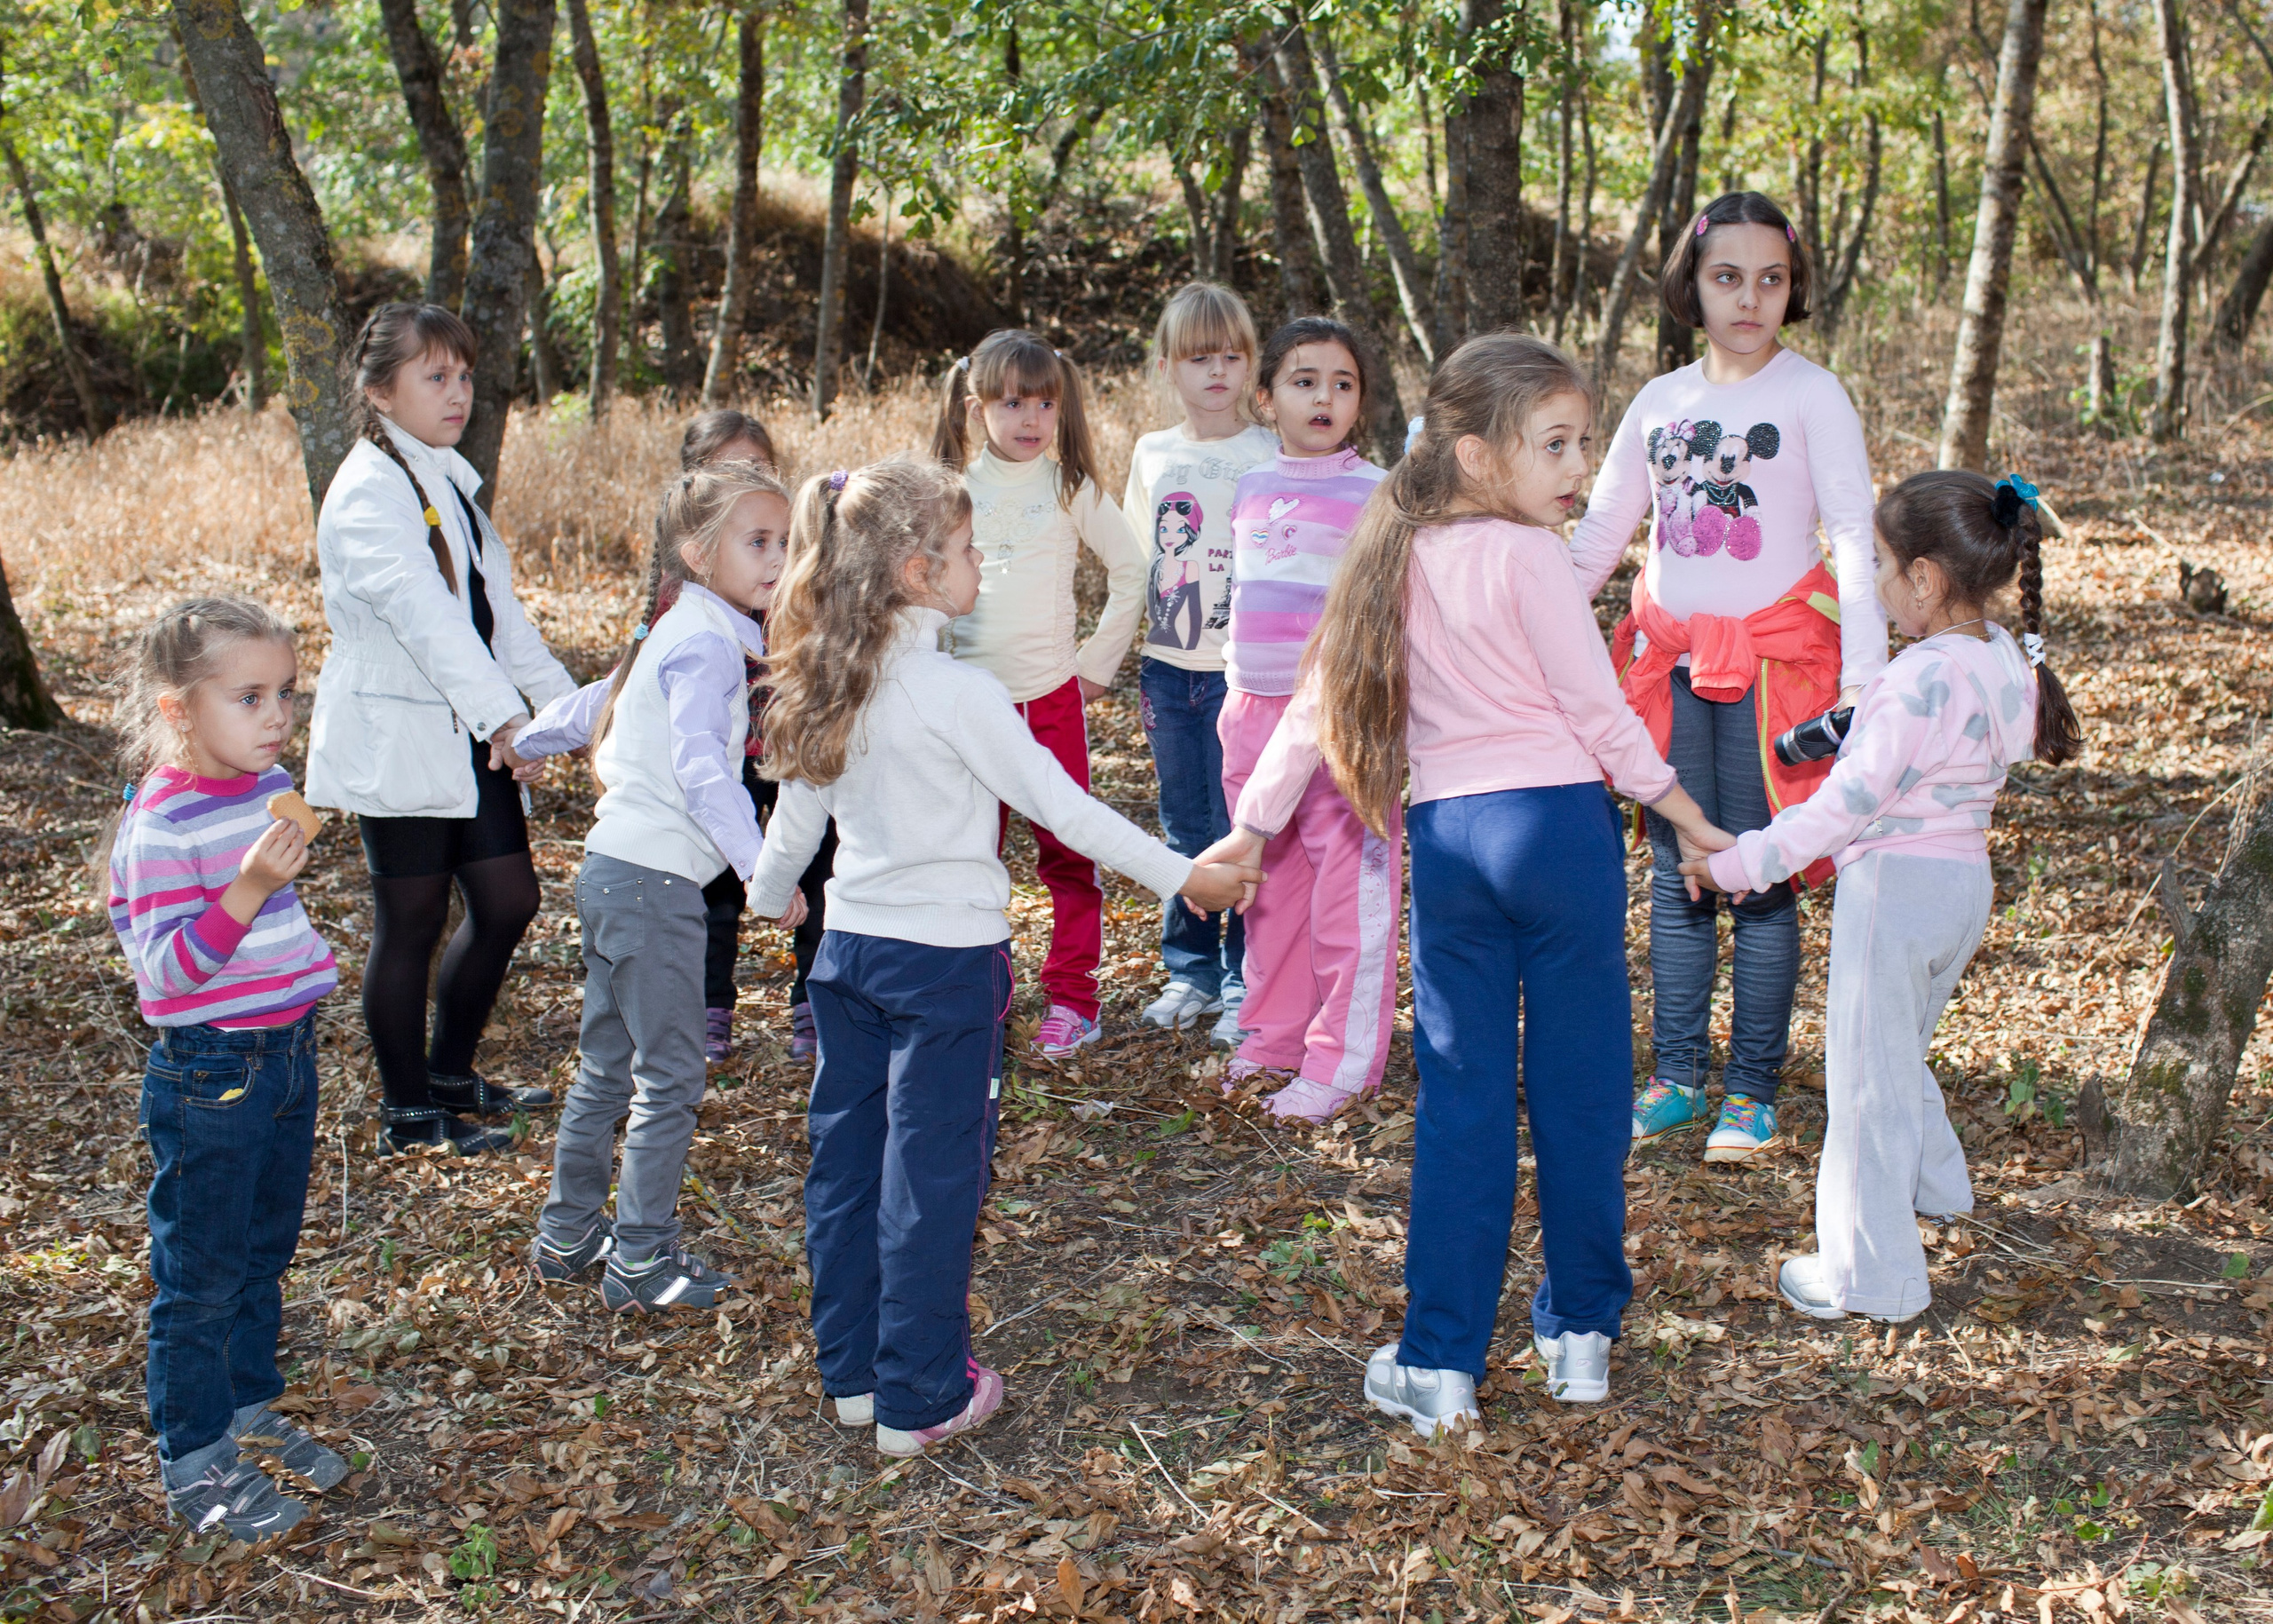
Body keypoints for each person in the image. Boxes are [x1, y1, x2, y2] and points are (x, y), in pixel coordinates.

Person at [1203, 336, 1733, 1427]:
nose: (1577, 465)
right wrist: (1688, 819)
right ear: (1478, 453)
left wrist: (1247, 831)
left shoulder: (1390, 552)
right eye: (1555, 445)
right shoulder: (1526, 555)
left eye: (1583, 442)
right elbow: (1596, 712)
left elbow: (1312, 709)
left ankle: (1440, 1358)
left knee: (1463, 1100)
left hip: (1449, 845)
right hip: (1556, 838)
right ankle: (1581, 1328)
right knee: (1582, 1091)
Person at [750, 458, 1258, 1456]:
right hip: (942, 971)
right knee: (929, 1181)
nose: (980, 563)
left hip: (847, 956)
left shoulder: (831, 675)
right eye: (970, 549)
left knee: (846, 1166)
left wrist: (772, 899)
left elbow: (797, 814)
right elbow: (1060, 807)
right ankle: (923, 1391)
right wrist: (1184, 877)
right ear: (917, 571)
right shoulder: (956, 691)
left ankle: (852, 1370)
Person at [1682, 471, 2079, 1322]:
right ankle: (1940, 1187)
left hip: (1896, 891)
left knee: (1865, 1080)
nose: (1880, 586)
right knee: (1899, 1049)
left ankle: (1873, 1277)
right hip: (1963, 887)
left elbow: (1841, 809)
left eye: (1887, 567)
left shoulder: (1914, 681)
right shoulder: (2007, 656)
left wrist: (1739, 864)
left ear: (1927, 580)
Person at [1568, 191, 1888, 1166]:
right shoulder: (1659, 402)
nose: (1748, 298)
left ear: (1792, 289)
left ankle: (1750, 1091)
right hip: (1667, 663)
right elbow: (1600, 534)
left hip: (1774, 670)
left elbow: (1851, 537)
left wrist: (1864, 682)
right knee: (1675, 872)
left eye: (1770, 279)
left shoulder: (1810, 394)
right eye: (1726, 278)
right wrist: (1522, 622)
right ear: (1690, 285)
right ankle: (1674, 1074)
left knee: (1759, 871)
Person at [513, 463, 797, 1313]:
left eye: (785, 541)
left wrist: (530, 737)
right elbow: (703, 768)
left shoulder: (683, 632)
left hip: (611, 878)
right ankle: (638, 1256)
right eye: (757, 542)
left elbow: (602, 698)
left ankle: (568, 1234)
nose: (778, 558)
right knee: (669, 1075)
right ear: (696, 552)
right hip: (655, 887)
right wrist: (763, 872)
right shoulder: (706, 641)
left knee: (606, 1063)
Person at [307, 303, 577, 1156]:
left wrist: (578, 712)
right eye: (436, 376)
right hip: (402, 728)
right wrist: (505, 714)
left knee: (508, 899)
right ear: (379, 391)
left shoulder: (445, 477)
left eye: (464, 374)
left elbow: (497, 617)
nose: (458, 391)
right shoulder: (365, 491)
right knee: (411, 921)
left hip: (465, 724)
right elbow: (426, 618)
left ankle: (452, 1073)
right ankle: (407, 1109)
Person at [105, 598, 347, 1538]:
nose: (278, 714)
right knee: (199, 1270)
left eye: (286, 691)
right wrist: (248, 886)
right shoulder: (163, 828)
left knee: (262, 1249)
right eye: (249, 696)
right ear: (178, 709)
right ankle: (196, 1453)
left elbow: (272, 932)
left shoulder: (263, 784)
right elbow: (164, 981)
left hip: (286, 1053)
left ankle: (247, 1401)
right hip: (213, 1069)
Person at [932, 330, 1148, 1058]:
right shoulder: (951, 488)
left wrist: (1094, 663)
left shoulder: (1069, 487)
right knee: (966, 852)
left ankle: (1073, 998)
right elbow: (921, 584)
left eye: (1045, 402)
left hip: (1049, 701)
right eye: (1012, 401)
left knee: (1067, 850)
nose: (1030, 417)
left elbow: (1131, 569)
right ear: (976, 406)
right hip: (966, 707)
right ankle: (973, 989)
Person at [1216, 317, 1395, 1122]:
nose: (1325, 396)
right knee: (1268, 887)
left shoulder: (1379, 491)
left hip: (1338, 722)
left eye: (1343, 383)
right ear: (1266, 398)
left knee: (1344, 900)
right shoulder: (1251, 486)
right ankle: (1272, 1036)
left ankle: (1341, 1061)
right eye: (1304, 380)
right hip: (1251, 712)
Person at [1123, 282, 1279, 1047]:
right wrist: (1101, 655)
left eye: (1231, 356)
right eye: (1198, 358)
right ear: (1167, 367)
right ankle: (1189, 968)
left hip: (1240, 671)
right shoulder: (1153, 454)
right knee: (1182, 821)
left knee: (1237, 822)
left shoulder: (1268, 453)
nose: (1216, 371)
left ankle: (1247, 974)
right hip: (1165, 665)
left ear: (1252, 367)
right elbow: (1133, 561)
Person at [669, 411, 838, 1067]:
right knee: (716, 884)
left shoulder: (794, 558)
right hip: (722, 754)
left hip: (792, 743)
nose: (747, 482)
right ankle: (711, 1004)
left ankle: (815, 998)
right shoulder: (682, 578)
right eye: (727, 470)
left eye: (760, 469)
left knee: (818, 866)